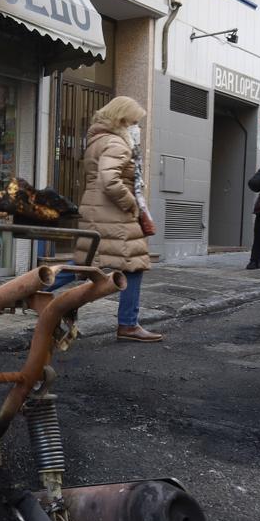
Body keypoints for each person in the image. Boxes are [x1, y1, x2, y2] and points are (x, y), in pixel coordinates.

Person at [72, 96, 162, 343]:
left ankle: (31, 291)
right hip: (113, 213)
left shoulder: (97, 140)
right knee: (133, 266)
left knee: (84, 263)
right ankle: (128, 325)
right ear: (122, 120)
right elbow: (110, 181)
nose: (137, 128)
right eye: (134, 122)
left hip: (98, 210)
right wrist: (131, 204)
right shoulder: (116, 144)